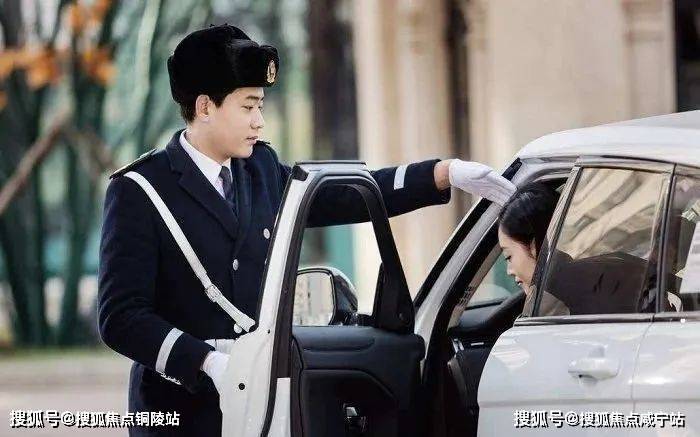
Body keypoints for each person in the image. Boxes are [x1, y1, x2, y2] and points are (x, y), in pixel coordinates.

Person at [97, 24, 513, 436]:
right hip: (178, 417)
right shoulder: (142, 189)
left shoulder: (258, 169)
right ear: (205, 107)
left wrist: (442, 174)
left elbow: (345, 195)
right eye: (248, 107)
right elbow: (121, 317)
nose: (260, 121)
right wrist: (205, 363)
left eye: (260, 105)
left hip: (258, 409)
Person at [497, 182, 567, 316]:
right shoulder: (587, 283)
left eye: (508, 256)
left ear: (534, 245)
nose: (509, 271)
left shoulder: (549, 311)